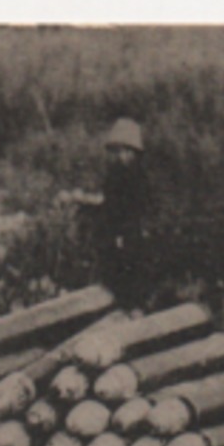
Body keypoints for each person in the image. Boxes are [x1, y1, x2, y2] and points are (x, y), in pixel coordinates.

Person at [65, 117, 153, 308]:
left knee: (129, 269)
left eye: (124, 150)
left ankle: (131, 305)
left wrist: (121, 233)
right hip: (114, 229)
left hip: (128, 232)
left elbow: (134, 208)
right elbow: (110, 203)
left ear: (133, 153)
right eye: (117, 151)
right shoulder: (115, 174)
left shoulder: (136, 177)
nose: (120, 155)